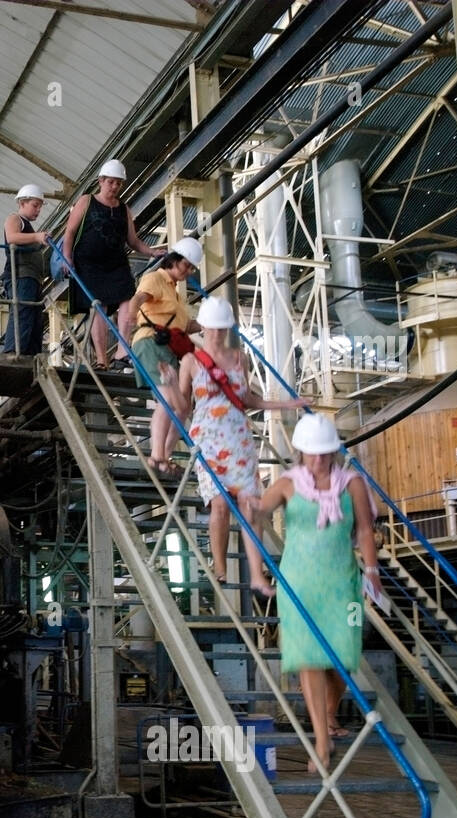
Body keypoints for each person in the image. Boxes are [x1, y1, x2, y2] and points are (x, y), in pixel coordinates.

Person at [254, 413, 383, 773]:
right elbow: (258, 511)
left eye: (325, 453)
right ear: (300, 452)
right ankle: (322, 743)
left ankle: (327, 715)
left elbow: (366, 531)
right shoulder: (286, 484)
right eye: (312, 453)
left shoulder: (352, 483)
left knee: (344, 655)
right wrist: (248, 502)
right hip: (298, 584)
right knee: (308, 658)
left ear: (334, 451)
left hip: (343, 582)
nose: (318, 460)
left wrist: (372, 572)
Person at [177, 295, 305, 593]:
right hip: (207, 439)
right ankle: (219, 566)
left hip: (239, 437)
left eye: (223, 328)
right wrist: (170, 387)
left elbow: (248, 399)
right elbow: (183, 404)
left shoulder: (239, 359)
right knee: (220, 504)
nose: (217, 333)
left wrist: (286, 404)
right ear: (204, 327)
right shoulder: (190, 361)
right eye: (213, 328)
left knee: (251, 506)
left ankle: (257, 574)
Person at [61, 159, 165, 371]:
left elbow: (133, 241)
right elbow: (70, 231)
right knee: (98, 308)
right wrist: (66, 257)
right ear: (101, 181)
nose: (115, 187)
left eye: (119, 183)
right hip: (89, 265)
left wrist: (152, 251)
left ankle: (122, 351)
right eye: (111, 182)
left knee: (128, 303)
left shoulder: (123, 209)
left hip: (117, 264)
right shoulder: (86, 201)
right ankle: (101, 360)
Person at [124, 236, 204, 471]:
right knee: (168, 398)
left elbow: (185, 325)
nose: (188, 271)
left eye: (191, 268)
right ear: (173, 260)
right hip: (151, 342)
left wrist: (209, 323)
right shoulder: (155, 279)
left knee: (183, 406)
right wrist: (130, 315)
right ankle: (157, 456)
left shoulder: (175, 293)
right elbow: (139, 297)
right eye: (185, 265)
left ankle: (164, 456)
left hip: (168, 346)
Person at [2, 184, 51, 355]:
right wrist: (37, 237)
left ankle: (31, 352)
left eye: (39, 206)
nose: (38, 210)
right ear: (22, 203)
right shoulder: (15, 219)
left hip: (33, 277)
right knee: (22, 311)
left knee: (34, 316)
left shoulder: (28, 227)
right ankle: (13, 350)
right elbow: (11, 237)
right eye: (34, 205)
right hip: (21, 275)